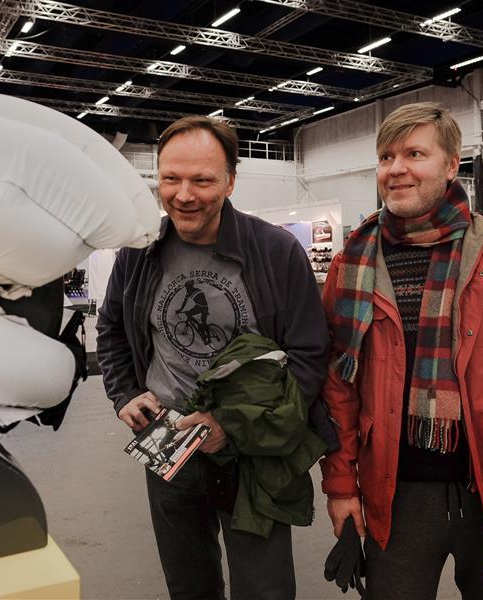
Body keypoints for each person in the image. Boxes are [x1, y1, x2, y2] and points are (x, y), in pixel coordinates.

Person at [320, 102, 483, 599]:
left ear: (450, 165)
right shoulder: (352, 264)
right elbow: (339, 388)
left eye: (414, 154)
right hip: (394, 497)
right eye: (386, 157)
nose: (395, 168)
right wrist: (340, 486)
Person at [96, 115, 336, 600]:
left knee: (265, 589)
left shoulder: (275, 251)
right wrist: (124, 394)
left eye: (202, 180)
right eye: (171, 179)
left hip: (253, 452)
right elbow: (112, 328)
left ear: (230, 181)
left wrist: (233, 423)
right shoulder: (140, 251)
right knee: (189, 585)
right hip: (167, 443)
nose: (184, 195)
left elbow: (310, 355)